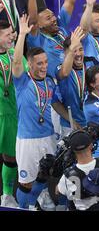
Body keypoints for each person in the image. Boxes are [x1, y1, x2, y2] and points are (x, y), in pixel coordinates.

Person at [12, 15, 75, 209]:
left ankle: (33, 202)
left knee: (45, 173)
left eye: (45, 62)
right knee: (26, 182)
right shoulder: (22, 82)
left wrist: (73, 122)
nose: (44, 67)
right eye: (39, 63)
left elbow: (56, 104)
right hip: (28, 139)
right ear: (29, 65)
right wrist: (22, 34)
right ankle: (24, 207)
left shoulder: (49, 82)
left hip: (48, 136)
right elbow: (15, 64)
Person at [26, 0, 77, 78]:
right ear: (40, 24)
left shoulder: (61, 26)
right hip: (57, 84)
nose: (54, 19)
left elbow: (70, 0)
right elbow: (32, 20)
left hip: (76, 76)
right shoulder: (37, 40)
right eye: (48, 18)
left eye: (53, 15)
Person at [0, 20, 22, 207]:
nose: (11, 37)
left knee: (11, 156)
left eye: (12, 34)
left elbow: (22, 71)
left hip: (11, 113)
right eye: (7, 35)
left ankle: (7, 195)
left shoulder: (14, 54)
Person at [55, 27, 91, 138]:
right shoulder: (60, 68)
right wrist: (72, 121)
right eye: (74, 50)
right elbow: (64, 73)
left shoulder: (91, 66)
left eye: (80, 49)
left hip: (90, 123)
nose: (79, 54)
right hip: (70, 126)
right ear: (66, 53)